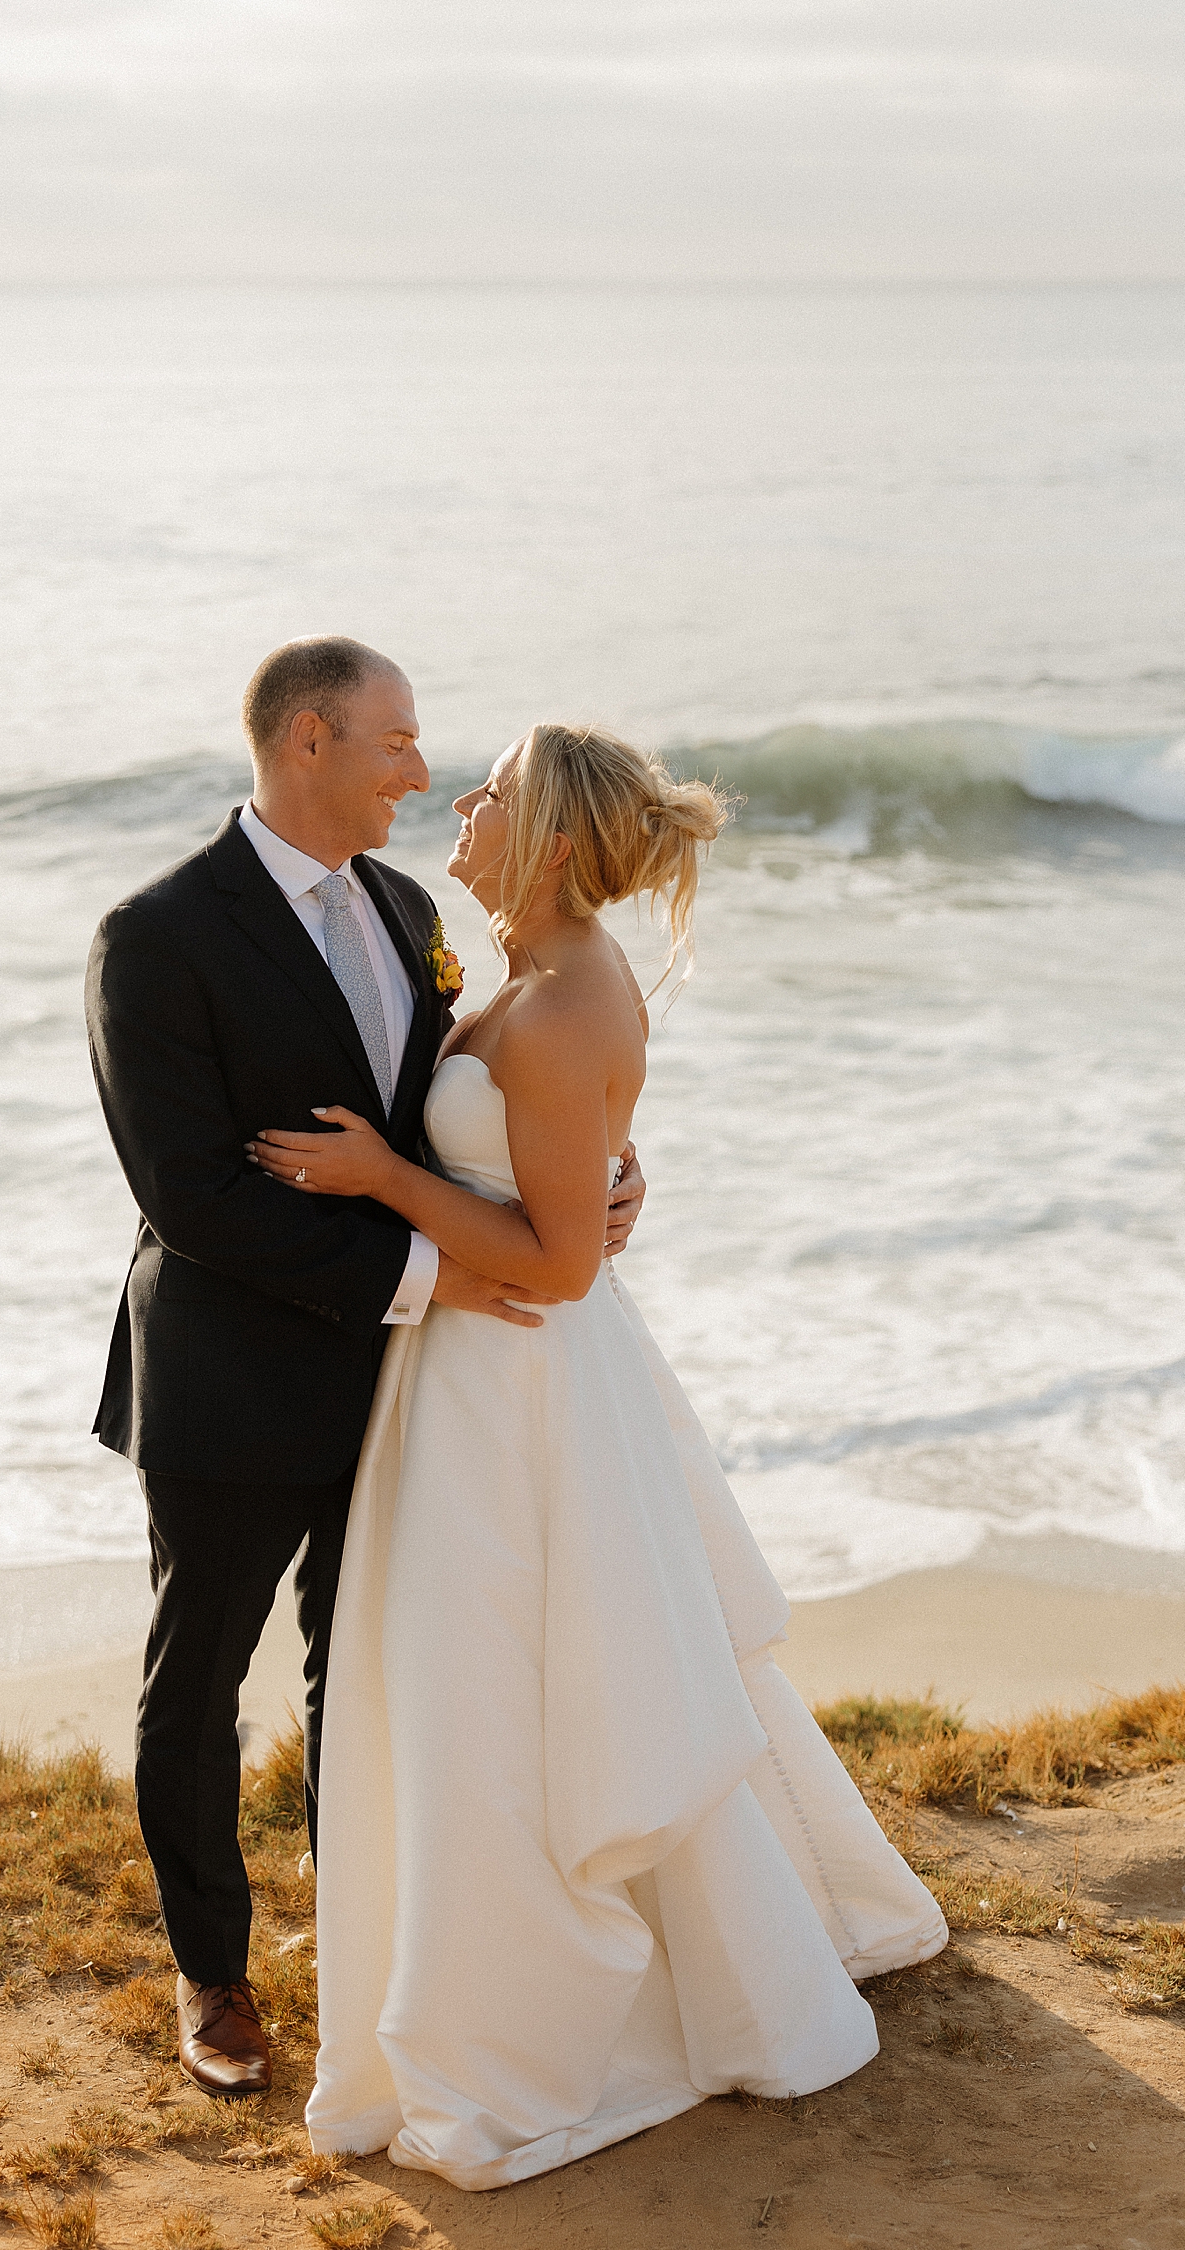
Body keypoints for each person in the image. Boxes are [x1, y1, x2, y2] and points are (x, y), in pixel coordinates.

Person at [247, 722, 948, 2189]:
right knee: (489, 1693)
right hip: (473, 1381)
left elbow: (560, 1266)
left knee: (509, 1696)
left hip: (522, 1388)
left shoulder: (565, 999)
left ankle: (533, 2022)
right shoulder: (513, 967)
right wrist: (574, 1171)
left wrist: (386, 1178)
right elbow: (564, 1184)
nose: (460, 797)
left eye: (491, 789)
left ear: (550, 837)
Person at [84, 643, 646, 2098]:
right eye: (395, 742)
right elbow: (193, 1195)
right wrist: (426, 1273)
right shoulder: (155, 935)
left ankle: (370, 1954)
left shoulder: (408, 911)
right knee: (200, 1677)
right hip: (224, 1380)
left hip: (407, 1393)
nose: (418, 769)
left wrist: (596, 1176)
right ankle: (213, 1979)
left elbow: (474, 1109)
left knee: (372, 1680)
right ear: (311, 740)